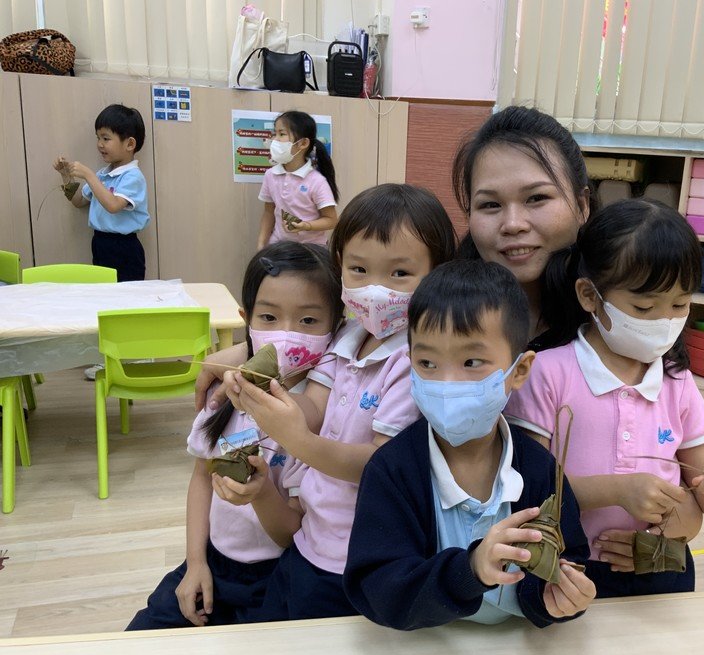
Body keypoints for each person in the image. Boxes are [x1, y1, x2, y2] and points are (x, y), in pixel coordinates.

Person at [211, 184, 457, 621]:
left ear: (437, 275)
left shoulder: (416, 360)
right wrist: (263, 396)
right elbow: (313, 409)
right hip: (309, 536)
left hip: (356, 555)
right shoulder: (349, 336)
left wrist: (298, 440)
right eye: (359, 269)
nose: (375, 289)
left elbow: (380, 464)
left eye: (399, 273)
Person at [506, 199, 704, 598]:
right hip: (567, 569)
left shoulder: (677, 381)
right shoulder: (547, 373)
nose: (665, 321)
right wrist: (618, 491)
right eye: (644, 306)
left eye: (680, 304)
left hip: (661, 567)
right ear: (589, 295)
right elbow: (529, 489)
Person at [344, 260, 595, 630]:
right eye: (427, 362)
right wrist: (470, 570)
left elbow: (567, 559)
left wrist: (557, 599)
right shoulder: (392, 470)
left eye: (471, 361)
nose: (447, 382)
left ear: (519, 370)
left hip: (515, 649)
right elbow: (376, 588)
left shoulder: (539, 469)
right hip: (425, 647)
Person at [125, 242, 341, 630]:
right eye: (269, 317)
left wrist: (261, 492)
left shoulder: (320, 416)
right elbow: (201, 478)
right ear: (247, 319)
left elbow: (291, 533)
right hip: (213, 560)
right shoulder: (223, 396)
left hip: (276, 576)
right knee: (144, 635)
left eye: (308, 320)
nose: (286, 333)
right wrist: (195, 562)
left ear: (336, 327)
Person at [452, 105, 594, 351]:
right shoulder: (441, 315)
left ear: (581, 206)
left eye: (536, 198)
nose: (513, 224)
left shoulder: (622, 318)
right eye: (490, 204)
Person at [53, 103, 150, 282]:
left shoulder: (133, 176)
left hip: (125, 248)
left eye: (106, 138)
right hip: (100, 243)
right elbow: (78, 201)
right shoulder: (102, 175)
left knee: (127, 296)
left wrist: (89, 175)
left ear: (129, 144)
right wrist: (65, 175)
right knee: (103, 293)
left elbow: (113, 206)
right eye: (98, 138)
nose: (99, 144)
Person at [257, 111, 339, 250]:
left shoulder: (316, 181)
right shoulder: (270, 175)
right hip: (280, 246)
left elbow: (331, 220)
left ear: (303, 143)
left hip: (312, 249)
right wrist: (261, 244)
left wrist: (306, 226)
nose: (275, 140)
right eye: (275, 134)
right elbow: (269, 212)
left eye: (282, 134)